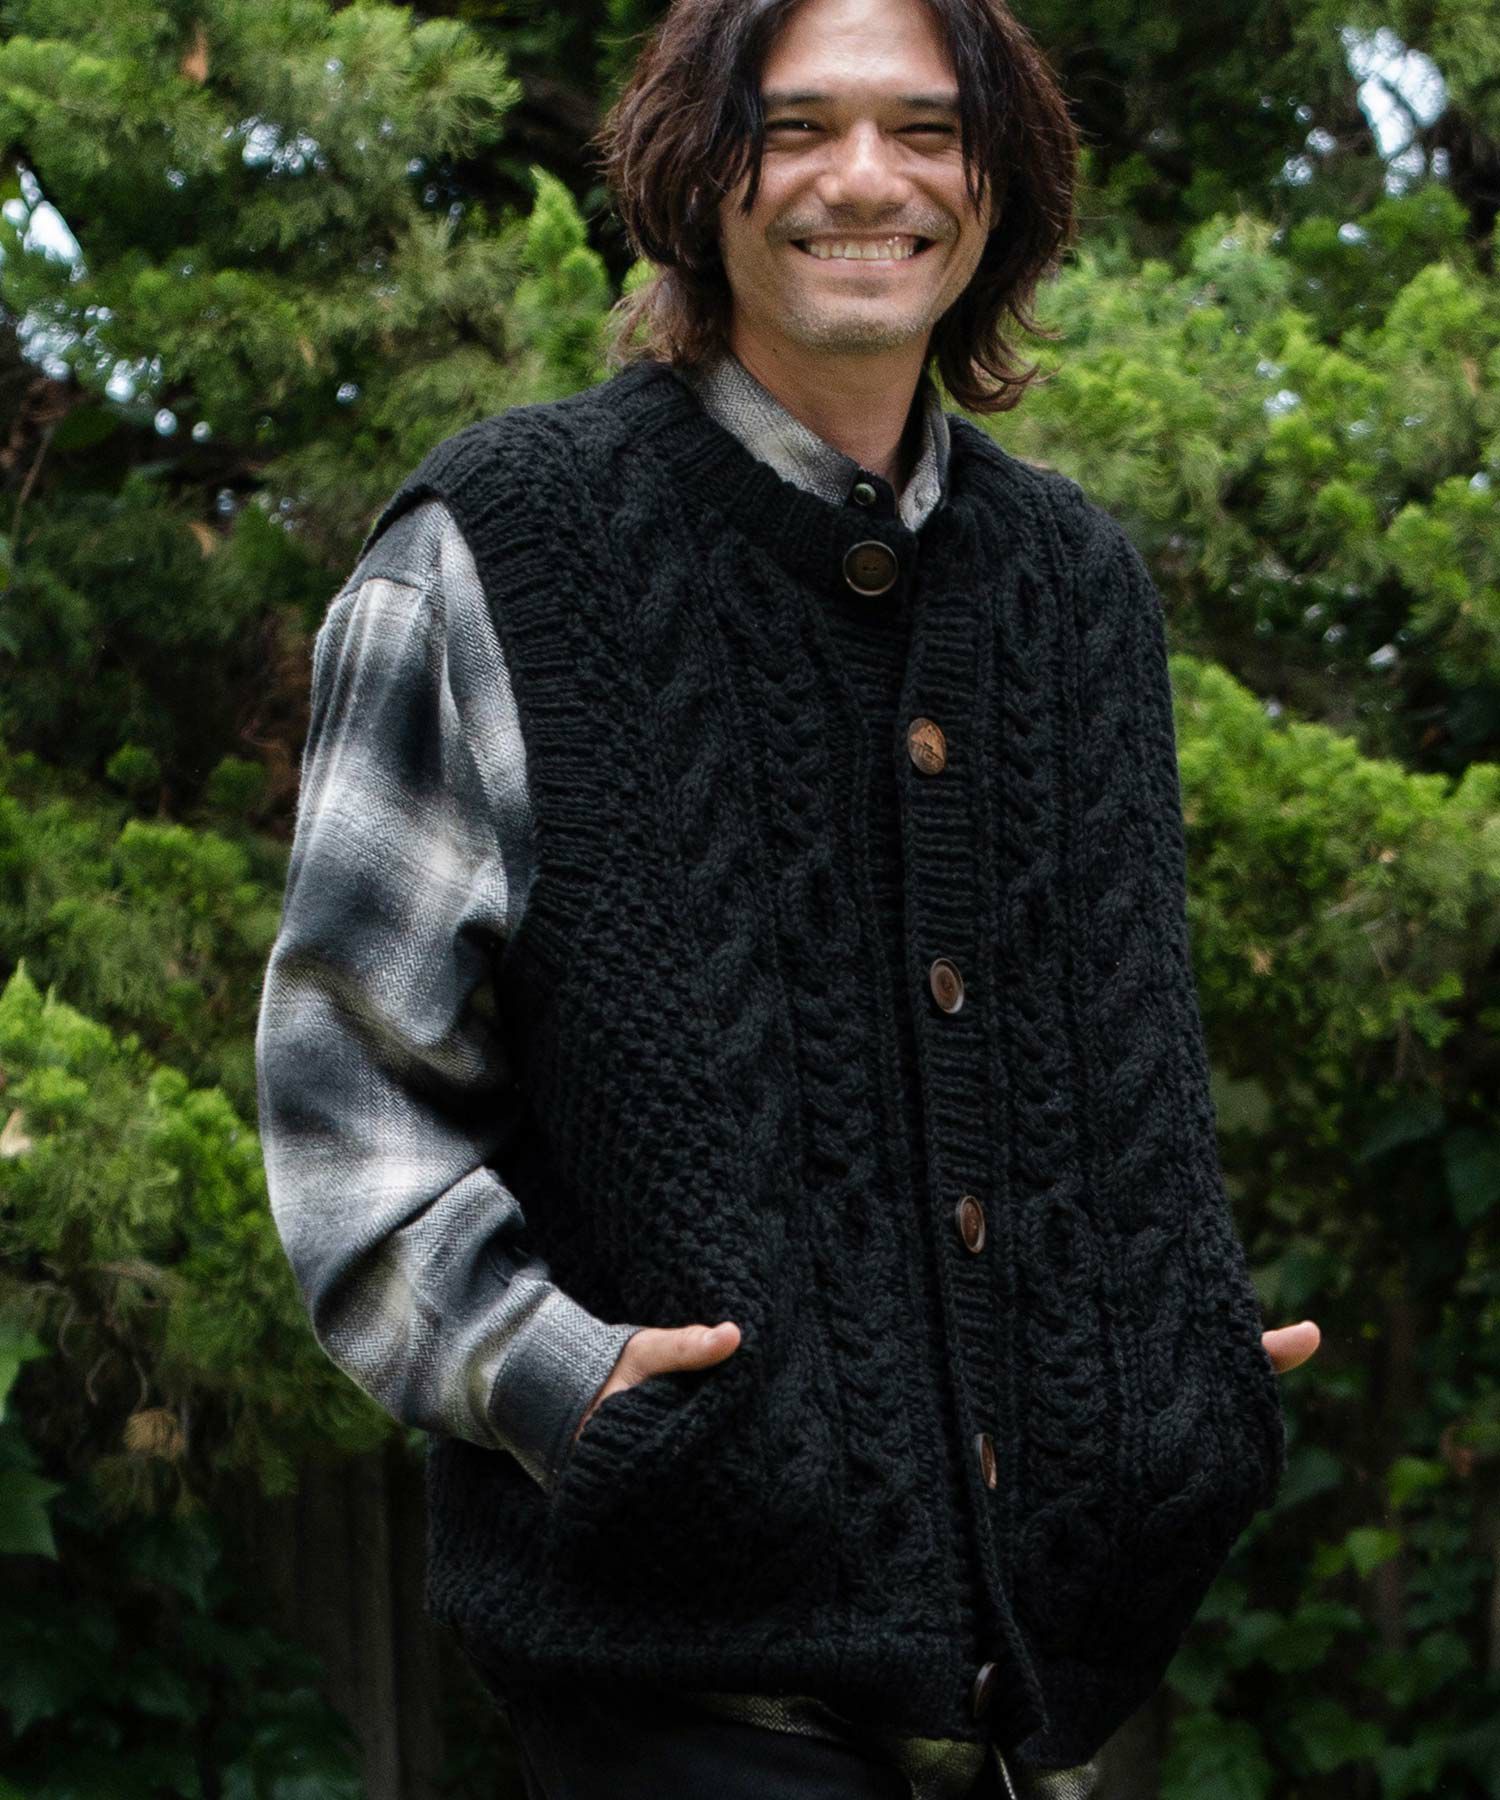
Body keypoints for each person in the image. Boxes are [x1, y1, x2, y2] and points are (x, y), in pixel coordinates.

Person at [254, 0, 1321, 1790]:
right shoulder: (499, 551)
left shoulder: (1075, 590)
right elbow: (344, 1098)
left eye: (927, 129)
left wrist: (1182, 1389)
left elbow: (1107, 1084)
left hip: (1035, 1720)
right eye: (798, 126)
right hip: (682, 1717)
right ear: (700, 170)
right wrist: (556, 1380)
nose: (865, 180)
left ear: (999, 181)